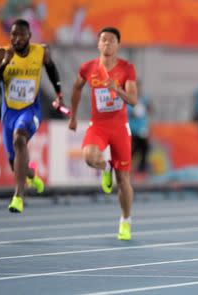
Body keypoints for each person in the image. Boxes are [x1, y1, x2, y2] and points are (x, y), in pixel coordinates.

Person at [0, 18, 64, 213]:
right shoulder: (1, 53)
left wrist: (59, 94)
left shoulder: (41, 51)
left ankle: (18, 197)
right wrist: (5, 63)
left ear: (29, 36)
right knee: (15, 164)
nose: (16, 38)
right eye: (13, 34)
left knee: (20, 139)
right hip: (8, 113)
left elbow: (51, 69)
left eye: (21, 35)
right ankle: (31, 174)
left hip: (31, 109)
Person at [67, 27, 138, 241]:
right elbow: (77, 88)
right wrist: (73, 116)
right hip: (98, 125)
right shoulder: (87, 67)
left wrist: (117, 90)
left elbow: (133, 100)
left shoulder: (127, 68)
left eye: (111, 40)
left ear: (118, 45)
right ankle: (106, 166)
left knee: (123, 179)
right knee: (89, 156)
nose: (107, 44)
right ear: (98, 44)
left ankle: (125, 220)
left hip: (119, 128)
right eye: (103, 40)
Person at [127, 80, 152, 174]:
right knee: (132, 150)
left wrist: (148, 107)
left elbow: (151, 109)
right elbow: (125, 112)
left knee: (145, 149)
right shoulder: (128, 98)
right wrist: (133, 113)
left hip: (142, 130)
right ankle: (127, 169)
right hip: (132, 129)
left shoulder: (144, 99)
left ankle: (141, 169)